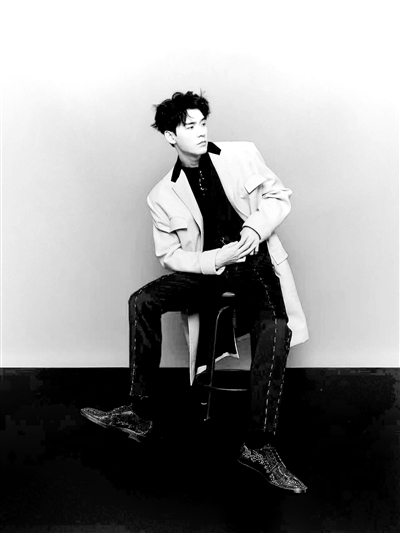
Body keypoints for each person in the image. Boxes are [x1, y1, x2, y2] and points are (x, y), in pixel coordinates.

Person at [81, 91, 309, 493]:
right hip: (208, 271)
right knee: (143, 301)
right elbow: (169, 256)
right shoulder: (161, 195)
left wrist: (254, 229)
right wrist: (215, 258)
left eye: (203, 123)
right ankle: (139, 412)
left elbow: (278, 197)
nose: (201, 132)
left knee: (275, 327)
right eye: (190, 126)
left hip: (254, 263)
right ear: (171, 136)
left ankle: (257, 446)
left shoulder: (241, 155)